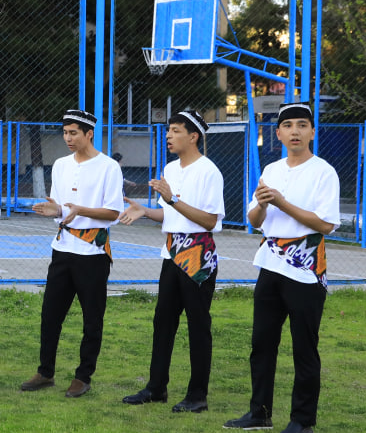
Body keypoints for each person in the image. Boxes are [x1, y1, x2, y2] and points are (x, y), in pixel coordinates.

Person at [225, 102, 339, 433]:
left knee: (304, 347)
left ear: (312, 132)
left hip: (306, 269)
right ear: (277, 134)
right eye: (288, 126)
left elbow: (325, 224)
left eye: (302, 125)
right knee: (262, 343)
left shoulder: (323, 172)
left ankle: (302, 421)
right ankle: (259, 413)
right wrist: (262, 203)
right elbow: (254, 220)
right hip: (270, 264)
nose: (295, 131)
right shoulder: (271, 169)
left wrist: (282, 202)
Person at [118, 111, 225, 413]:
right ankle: (156, 388)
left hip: (197, 256)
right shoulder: (170, 168)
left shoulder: (209, 171)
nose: (168, 135)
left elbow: (210, 220)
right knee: (163, 323)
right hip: (171, 254)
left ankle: (197, 395)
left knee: (198, 326)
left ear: (193, 137)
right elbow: (170, 214)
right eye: (169, 130)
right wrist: (146, 211)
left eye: (176, 130)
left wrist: (173, 199)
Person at [20, 109, 124, 398]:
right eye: (65, 132)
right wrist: (56, 210)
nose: (68, 138)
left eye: (73, 133)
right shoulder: (61, 165)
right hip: (62, 250)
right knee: (50, 315)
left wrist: (79, 210)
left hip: (93, 253)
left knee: (92, 319)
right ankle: (45, 372)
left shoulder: (108, 167)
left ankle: (83, 376)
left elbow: (113, 212)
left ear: (89, 133)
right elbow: (61, 207)